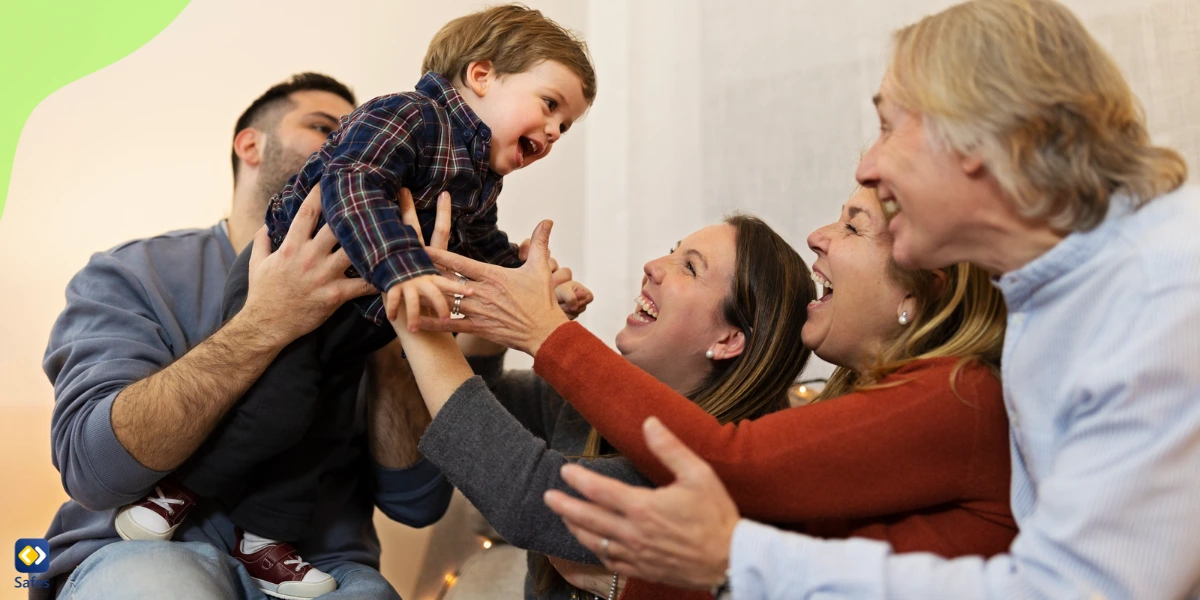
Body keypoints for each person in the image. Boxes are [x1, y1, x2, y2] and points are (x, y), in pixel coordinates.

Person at [548, 0, 1200, 598]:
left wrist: (737, 562)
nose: (869, 167)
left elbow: (1074, 590)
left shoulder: (1163, 292)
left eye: (889, 126)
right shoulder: (1051, 307)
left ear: (976, 134)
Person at [114, 5, 597, 598]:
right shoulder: (410, 115)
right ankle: (179, 487)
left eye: (565, 126)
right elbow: (354, 181)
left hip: (350, 321)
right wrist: (402, 269)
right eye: (550, 105)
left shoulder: (479, 178)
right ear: (481, 76)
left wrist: (530, 285)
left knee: (317, 429)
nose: (553, 132)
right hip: (285, 284)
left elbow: (479, 246)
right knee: (276, 407)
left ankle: (264, 539)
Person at [426, 185, 1016, 598]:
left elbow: (729, 465)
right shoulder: (876, 402)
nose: (818, 235)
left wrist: (540, 331)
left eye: (853, 225)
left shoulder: (957, 394)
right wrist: (482, 315)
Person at [40, 74, 452, 600]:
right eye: (326, 127)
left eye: (361, 133)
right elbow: (94, 471)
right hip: (139, 554)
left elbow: (417, 504)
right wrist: (268, 321)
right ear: (250, 144)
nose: (352, 145)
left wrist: (400, 321)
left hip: (321, 569)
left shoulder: (380, 290)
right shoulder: (132, 273)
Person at [389, 206, 811, 599]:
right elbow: (484, 406)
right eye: (672, 251)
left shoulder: (698, 467)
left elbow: (527, 496)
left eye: (689, 267)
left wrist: (407, 285)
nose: (654, 266)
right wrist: (497, 318)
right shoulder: (589, 407)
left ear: (728, 340)